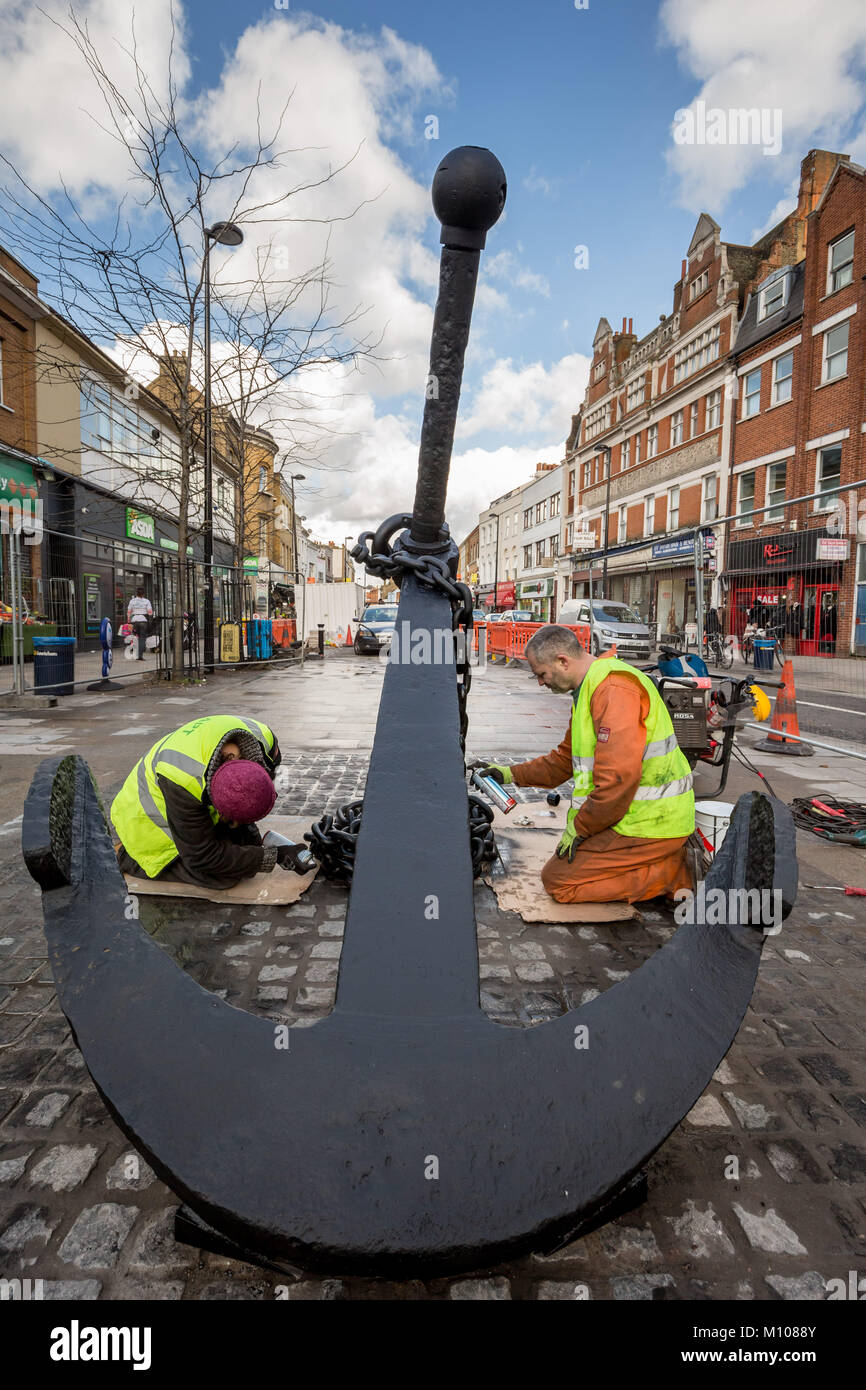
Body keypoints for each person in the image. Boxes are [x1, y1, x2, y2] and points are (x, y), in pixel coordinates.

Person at [476, 625, 695, 904]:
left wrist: (581, 828)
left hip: (650, 824)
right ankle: (659, 862)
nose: (541, 683)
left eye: (541, 674)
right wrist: (508, 774)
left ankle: (668, 873)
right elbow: (563, 762)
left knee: (559, 883)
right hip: (629, 816)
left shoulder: (613, 690)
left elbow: (617, 781)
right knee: (565, 869)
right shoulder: (590, 689)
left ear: (562, 661)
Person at [111, 714, 310, 889]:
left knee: (245, 847)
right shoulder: (183, 781)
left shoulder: (263, 737)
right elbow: (203, 856)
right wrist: (273, 856)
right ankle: (130, 858)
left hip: (194, 794)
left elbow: (256, 785)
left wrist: (250, 836)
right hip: (145, 825)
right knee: (223, 876)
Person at [127, 587, 154, 661]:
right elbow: (150, 612)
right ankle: (140, 655)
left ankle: (134, 653)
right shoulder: (146, 601)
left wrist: (128, 621)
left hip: (134, 620)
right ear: (143, 594)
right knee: (142, 638)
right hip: (143, 621)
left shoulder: (132, 601)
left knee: (135, 637)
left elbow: (129, 612)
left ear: (137, 593)